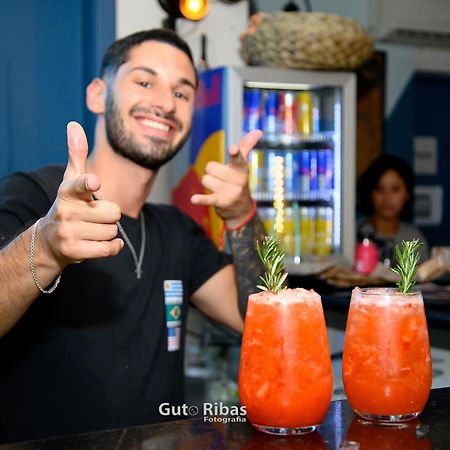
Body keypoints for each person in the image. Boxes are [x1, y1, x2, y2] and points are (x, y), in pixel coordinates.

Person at [0, 29, 266, 444]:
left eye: (183, 93)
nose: (165, 103)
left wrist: (242, 216)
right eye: (145, 81)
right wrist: (44, 247)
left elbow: (265, 323)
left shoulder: (178, 231)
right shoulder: (33, 196)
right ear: (96, 95)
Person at [357, 154, 429, 265]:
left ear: (407, 194)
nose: (387, 198)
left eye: (395, 189)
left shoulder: (414, 239)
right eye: (380, 189)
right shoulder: (354, 233)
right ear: (370, 193)